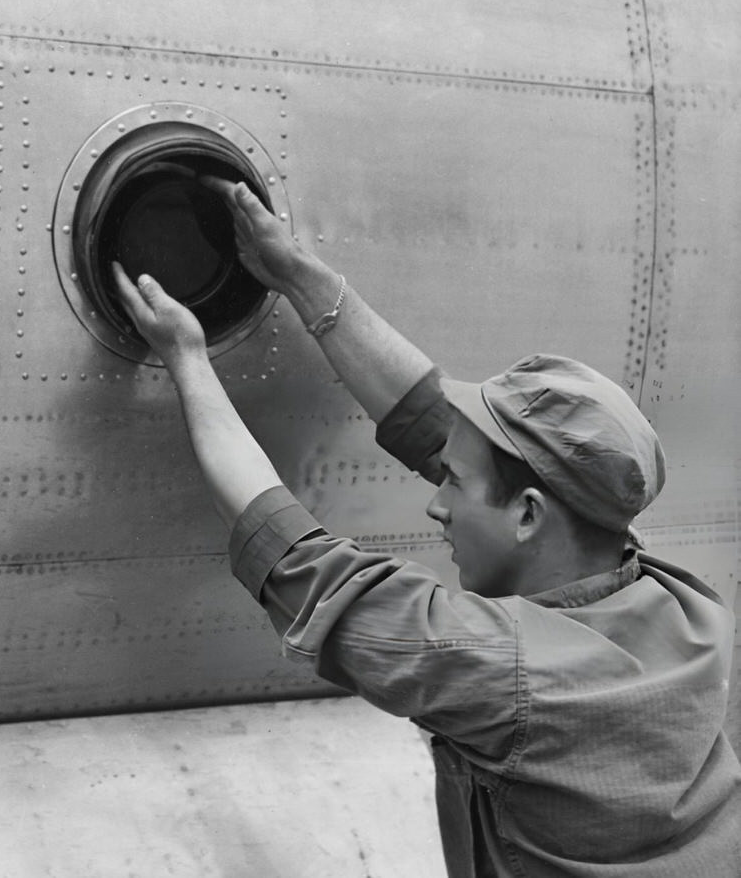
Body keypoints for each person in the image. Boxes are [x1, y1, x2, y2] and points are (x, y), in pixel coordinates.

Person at [110, 178, 741, 877]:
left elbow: (301, 563)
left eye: (453, 484)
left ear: (530, 515)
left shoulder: (505, 674)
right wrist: (299, 276)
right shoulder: (674, 598)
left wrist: (188, 359)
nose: (436, 504)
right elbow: (445, 431)